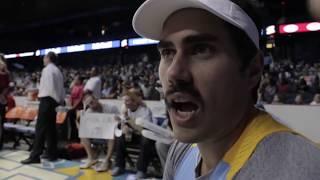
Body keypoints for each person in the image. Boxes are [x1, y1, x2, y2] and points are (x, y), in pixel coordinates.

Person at [132, 0, 320, 179]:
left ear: (253, 70)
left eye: (201, 50)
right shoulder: (182, 150)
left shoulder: (299, 171)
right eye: (167, 52)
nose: (174, 72)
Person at [21, 52, 65, 164]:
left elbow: (48, 88)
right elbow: (60, 89)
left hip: (47, 100)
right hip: (55, 101)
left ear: (49, 58)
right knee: (51, 129)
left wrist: (41, 96)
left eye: (44, 57)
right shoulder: (58, 71)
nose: (43, 59)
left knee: (40, 129)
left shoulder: (47, 70)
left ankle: (35, 155)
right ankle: (52, 153)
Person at [111, 88, 156, 179]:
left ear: (135, 101)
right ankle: (119, 166)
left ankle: (141, 170)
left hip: (145, 135)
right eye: (124, 100)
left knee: (145, 140)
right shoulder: (125, 108)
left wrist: (127, 119)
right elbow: (124, 124)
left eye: (127, 100)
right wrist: (123, 126)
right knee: (119, 136)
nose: (125, 103)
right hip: (132, 135)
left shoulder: (145, 110)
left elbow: (143, 129)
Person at [78, 93, 119, 172]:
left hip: (112, 133)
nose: (91, 105)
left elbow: (120, 121)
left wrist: (117, 119)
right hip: (98, 132)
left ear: (96, 99)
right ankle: (91, 158)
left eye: (92, 102)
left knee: (111, 133)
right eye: (89, 104)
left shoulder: (111, 107)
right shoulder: (89, 112)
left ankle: (107, 160)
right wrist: (81, 119)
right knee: (82, 131)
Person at [0, 54, 10, 150]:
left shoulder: (6, 74)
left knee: (1, 123)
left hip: (2, 101)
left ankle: (1, 143)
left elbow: (7, 88)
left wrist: (2, 96)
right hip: (2, 100)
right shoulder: (6, 74)